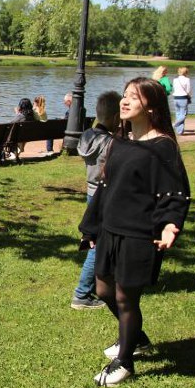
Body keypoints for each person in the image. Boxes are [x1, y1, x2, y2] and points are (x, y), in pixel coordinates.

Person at [79, 77, 190, 387]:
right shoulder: (120, 140)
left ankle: (125, 363)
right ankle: (136, 338)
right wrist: (91, 227)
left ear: (151, 108)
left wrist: (170, 225)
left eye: (134, 98)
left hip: (139, 234)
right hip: (110, 230)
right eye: (124, 95)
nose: (124, 101)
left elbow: (175, 193)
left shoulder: (163, 146)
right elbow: (105, 188)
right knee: (103, 291)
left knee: (126, 298)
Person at [70, 91, 121, 311]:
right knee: (97, 245)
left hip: (91, 190)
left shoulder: (87, 136)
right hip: (104, 194)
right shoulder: (109, 142)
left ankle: (108, 279)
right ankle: (82, 294)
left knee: (97, 240)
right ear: (116, 117)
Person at [172, 66, 192, 135]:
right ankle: (174, 125)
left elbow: (174, 88)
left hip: (175, 98)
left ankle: (180, 131)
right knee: (183, 114)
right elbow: (188, 90)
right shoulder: (187, 79)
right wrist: (190, 96)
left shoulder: (175, 80)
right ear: (186, 72)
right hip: (183, 98)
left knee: (178, 114)